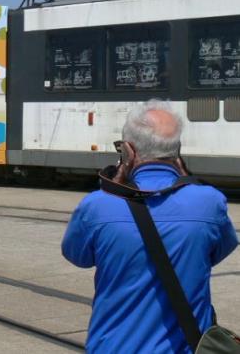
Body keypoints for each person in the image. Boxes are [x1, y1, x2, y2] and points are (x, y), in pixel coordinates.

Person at [61, 99, 238, 354]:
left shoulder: (96, 206)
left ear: (128, 152)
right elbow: (216, 252)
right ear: (177, 152)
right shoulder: (211, 203)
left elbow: (77, 256)